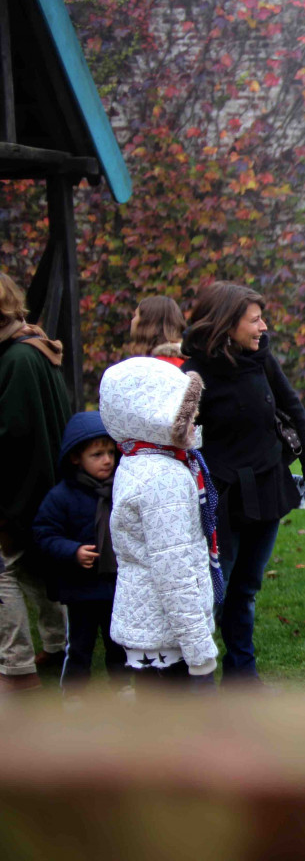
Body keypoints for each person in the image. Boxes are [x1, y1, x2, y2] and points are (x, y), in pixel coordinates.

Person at [181, 282, 305, 685]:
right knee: (216, 587)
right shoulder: (193, 374)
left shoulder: (260, 359)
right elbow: (178, 437)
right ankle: (196, 671)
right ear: (228, 325)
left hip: (267, 486)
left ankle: (242, 671)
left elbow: (292, 406)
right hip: (222, 496)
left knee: (246, 586)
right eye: (255, 319)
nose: (264, 326)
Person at [100, 357, 220, 691]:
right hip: (170, 638)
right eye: (186, 410)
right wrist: (198, 651)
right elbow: (174, 571)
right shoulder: (163, 478)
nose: (195, 418)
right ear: (155, 414)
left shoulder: (138, 459)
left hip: (149, 626)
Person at [0, 272, 71, 693]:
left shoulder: (18, 359)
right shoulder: (30, 348)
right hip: (41, 484)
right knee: (35, 571)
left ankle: (17, 668)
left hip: (19, 488)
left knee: (4, 573)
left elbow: (13, 435)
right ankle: (58, 645)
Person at [31, 412, 129, 694]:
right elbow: (44, 533)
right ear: (76, 458)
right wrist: (72, 551)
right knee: (80, 645)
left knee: (119, 643)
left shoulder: (121, 489)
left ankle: (122, 687)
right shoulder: (62, 496)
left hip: (117, 587)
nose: (107, 460)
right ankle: (73, 694)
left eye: (111, 452)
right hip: (81, 589)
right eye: (97, 454)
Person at [127, 295, 187, 365]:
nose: (132, 321)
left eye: (136, 315)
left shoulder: (159, 365)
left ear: (147, 323)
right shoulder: (187, 363)